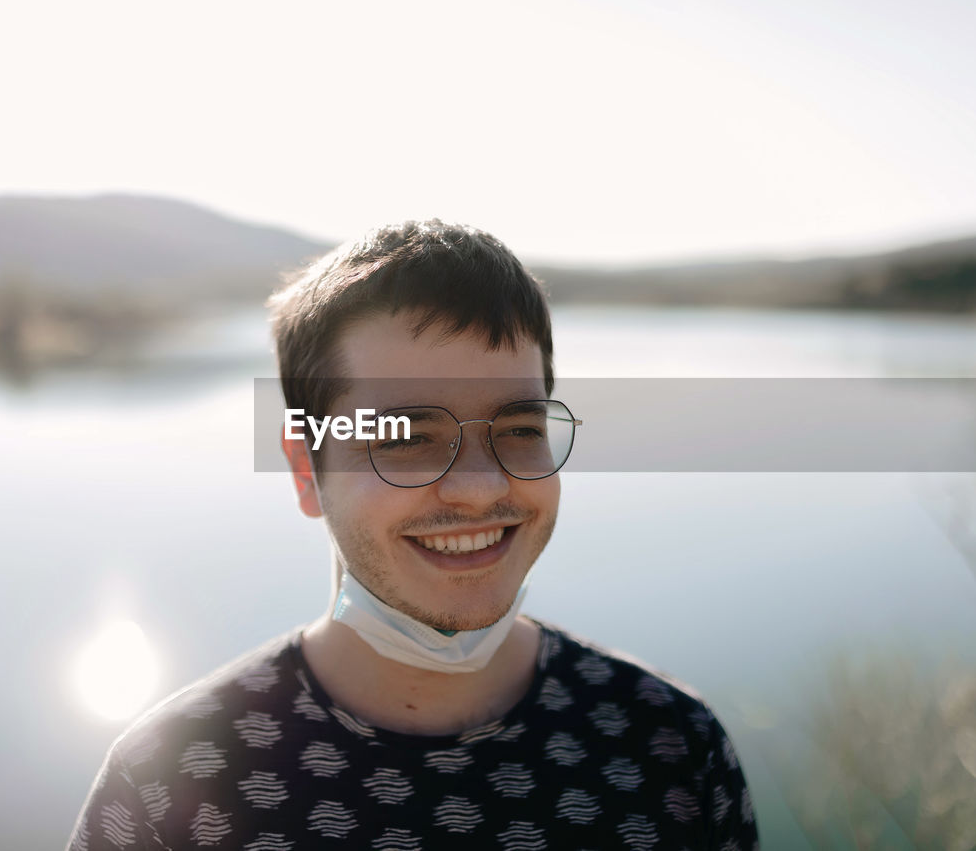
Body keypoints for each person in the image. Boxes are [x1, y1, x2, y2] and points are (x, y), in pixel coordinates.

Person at [67, 220, 758, 850]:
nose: (481, 487)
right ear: (307, 470)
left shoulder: (668, 743)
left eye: (519, 429)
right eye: (407, 439)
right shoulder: (170, 783)